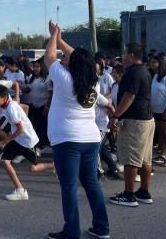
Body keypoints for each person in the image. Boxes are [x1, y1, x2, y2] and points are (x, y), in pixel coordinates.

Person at [44, 21, 109, 239]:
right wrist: (61, 39)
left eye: (67, 58)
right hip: (90, 139)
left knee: (69, 187)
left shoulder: (64, 79)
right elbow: (83, 58)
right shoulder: (94, 81)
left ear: (74, 64)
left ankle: (71, 232)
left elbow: (49, 57)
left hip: (67, 140)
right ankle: (102, 228)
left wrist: (54, 36)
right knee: (92, 183)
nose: (64, 58)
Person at [107, 43, 155, 208]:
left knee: (131, 159)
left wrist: (115, 115)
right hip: (147, 119)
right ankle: (144, 191)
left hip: (135, 121)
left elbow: (129, 96)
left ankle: (129, 195)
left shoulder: (132, 72)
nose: (123, 56)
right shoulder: (144, 70)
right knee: (145, 159)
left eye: (125, 53)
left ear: (133, 55)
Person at [0, 84, 54, 201]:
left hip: (27, 141)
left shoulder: (11, 109)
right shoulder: (10, 101)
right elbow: (20, 103)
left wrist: (4, 141)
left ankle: (55, 165)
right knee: (5, 161)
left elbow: (20, 129)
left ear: (4, 97)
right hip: (17, 139)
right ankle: (20, 191)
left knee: (33, 168)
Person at [149, 55, 166, 167]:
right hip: (156, 109)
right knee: (160, 132)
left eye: (154, 62)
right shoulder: (153, 76)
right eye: (150, 62)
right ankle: (162, 154)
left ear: (160, 63)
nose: (151, 64)